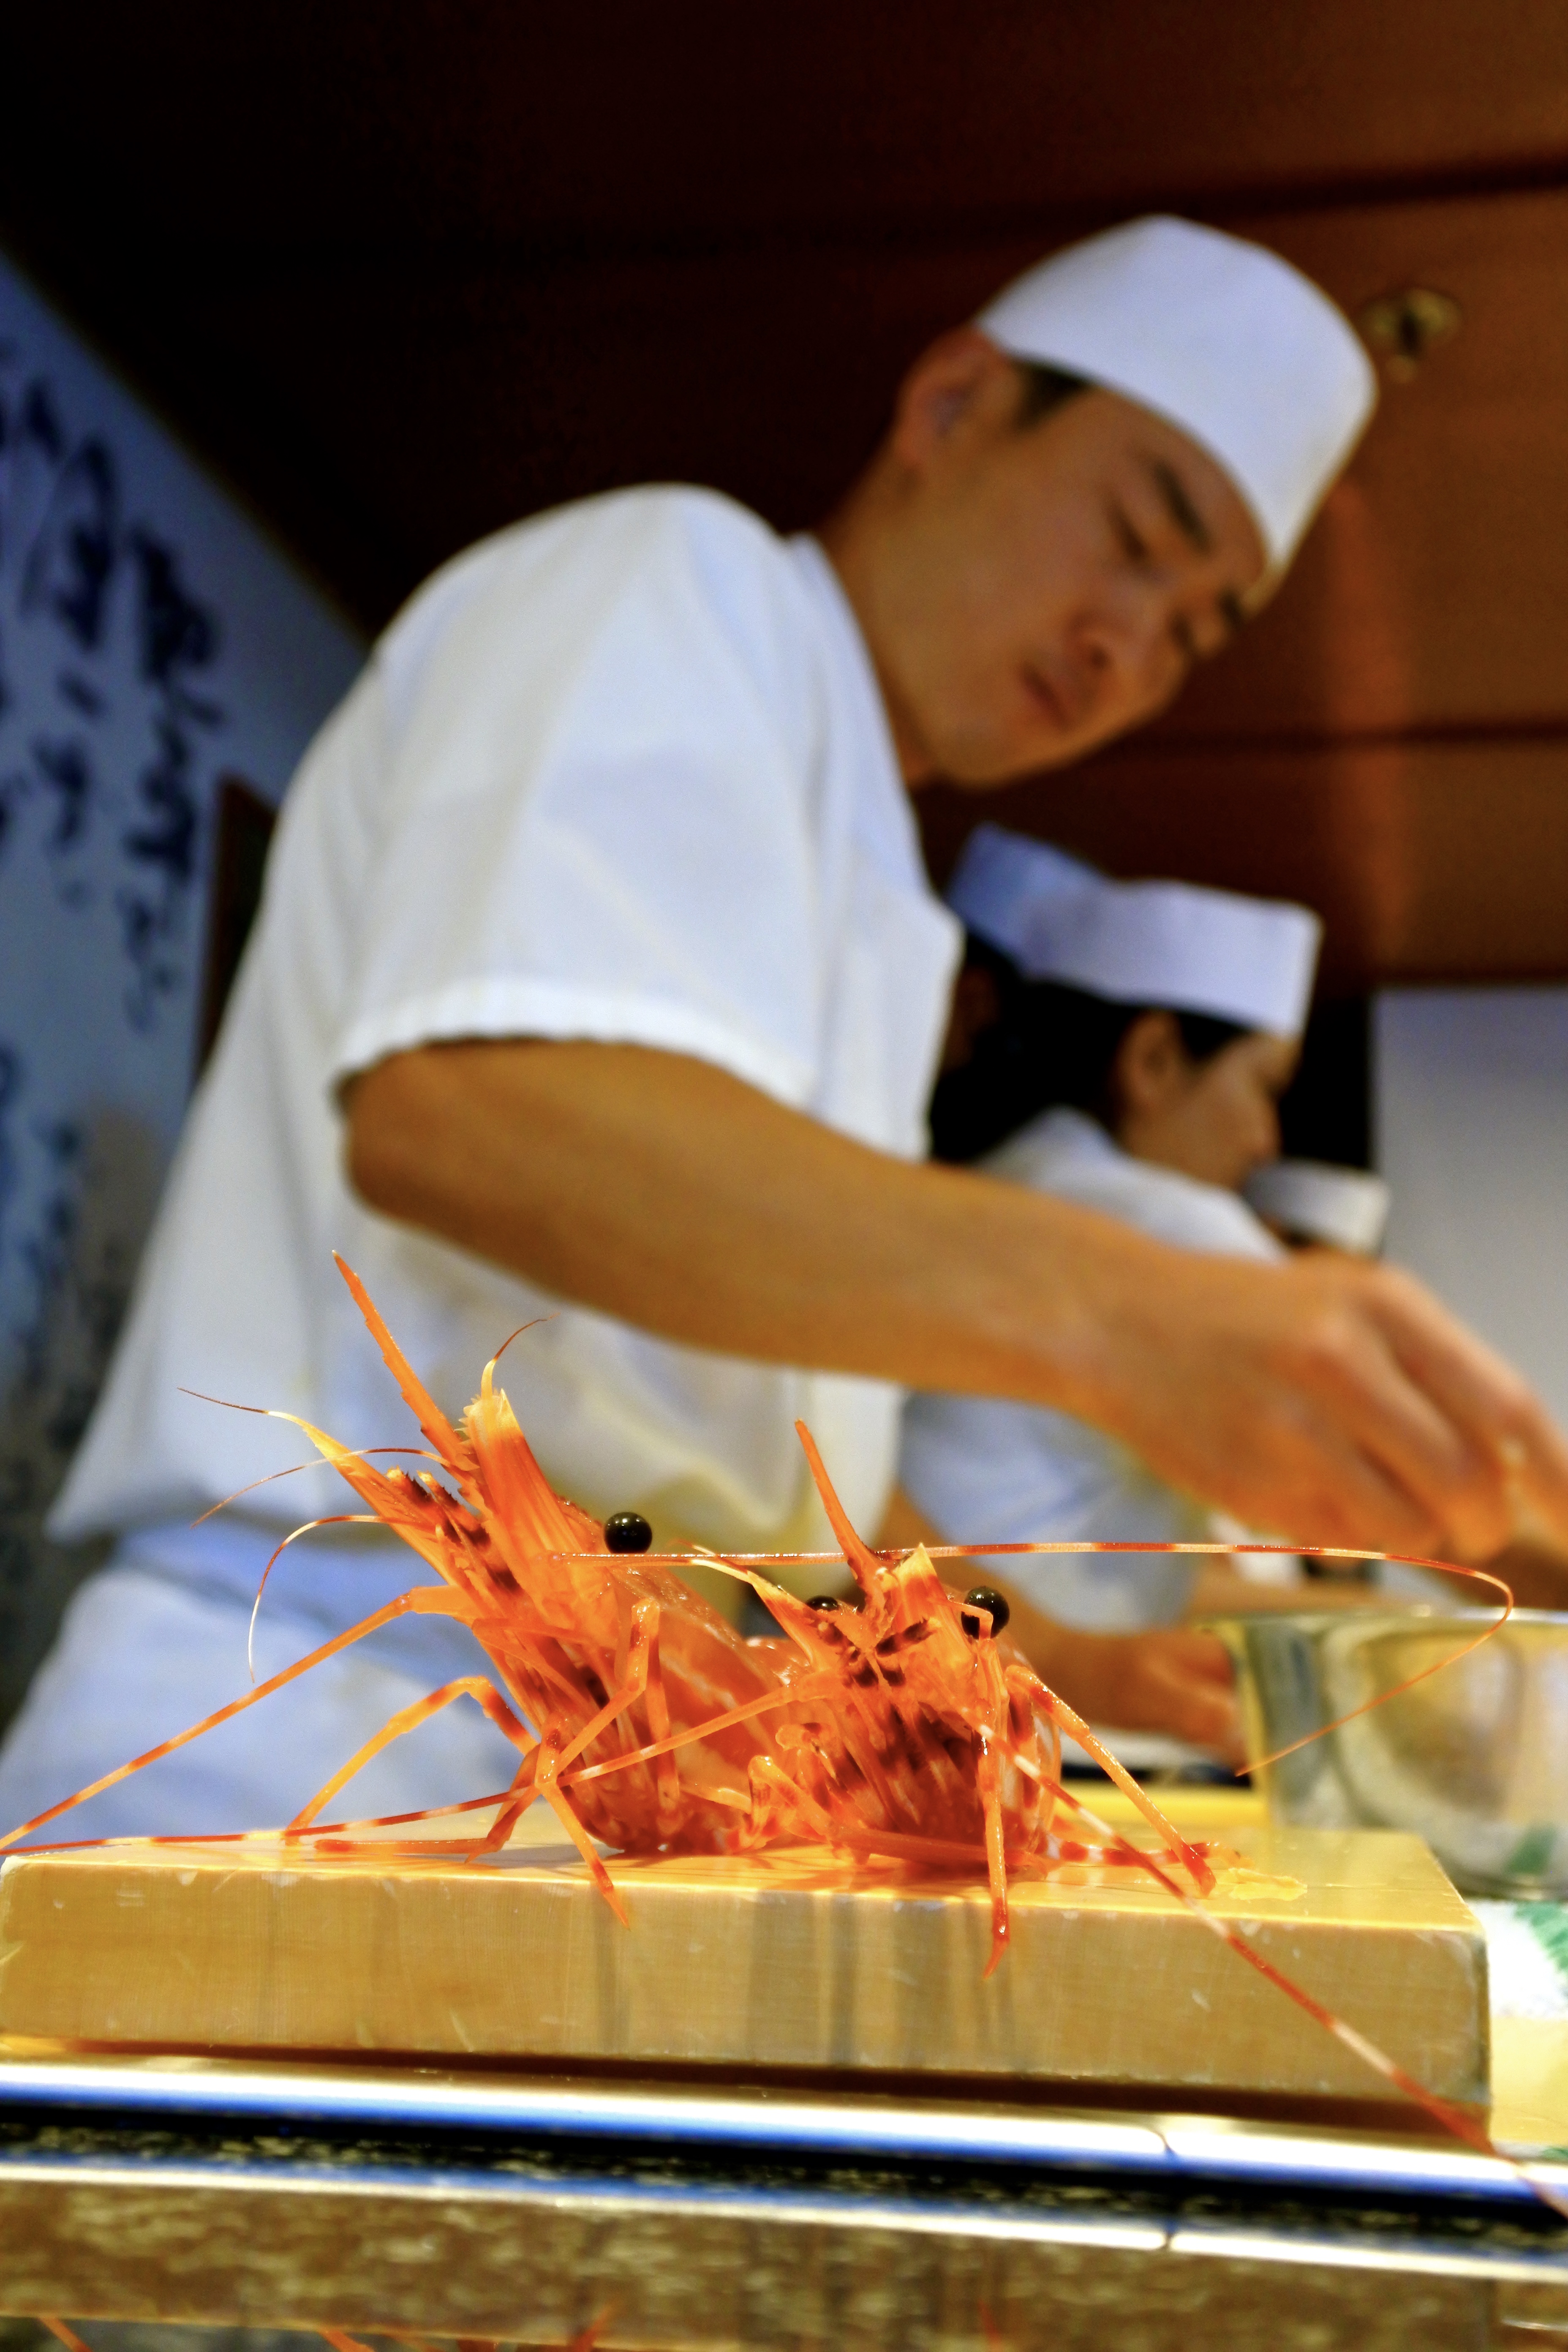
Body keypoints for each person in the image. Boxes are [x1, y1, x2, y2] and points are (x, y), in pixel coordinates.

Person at [5, 215, 1566, 1840]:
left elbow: (769, 1445)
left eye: (1191, 628)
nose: (1129, 639)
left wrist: (1054, 1649)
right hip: (309, 1707)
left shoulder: (879, 888)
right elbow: (472, 1111)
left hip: (612, 1761)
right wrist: (1127, 1316)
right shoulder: (679, 581)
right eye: (1135, 529)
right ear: (953, 403)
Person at [904, 828, 1325, 1679]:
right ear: (1153, 1061)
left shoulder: (1007, 1181)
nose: (1265, 1140)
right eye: (1263, 1088)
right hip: (1029, 1723)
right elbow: (1435, 1475)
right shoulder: (1168, 1227)